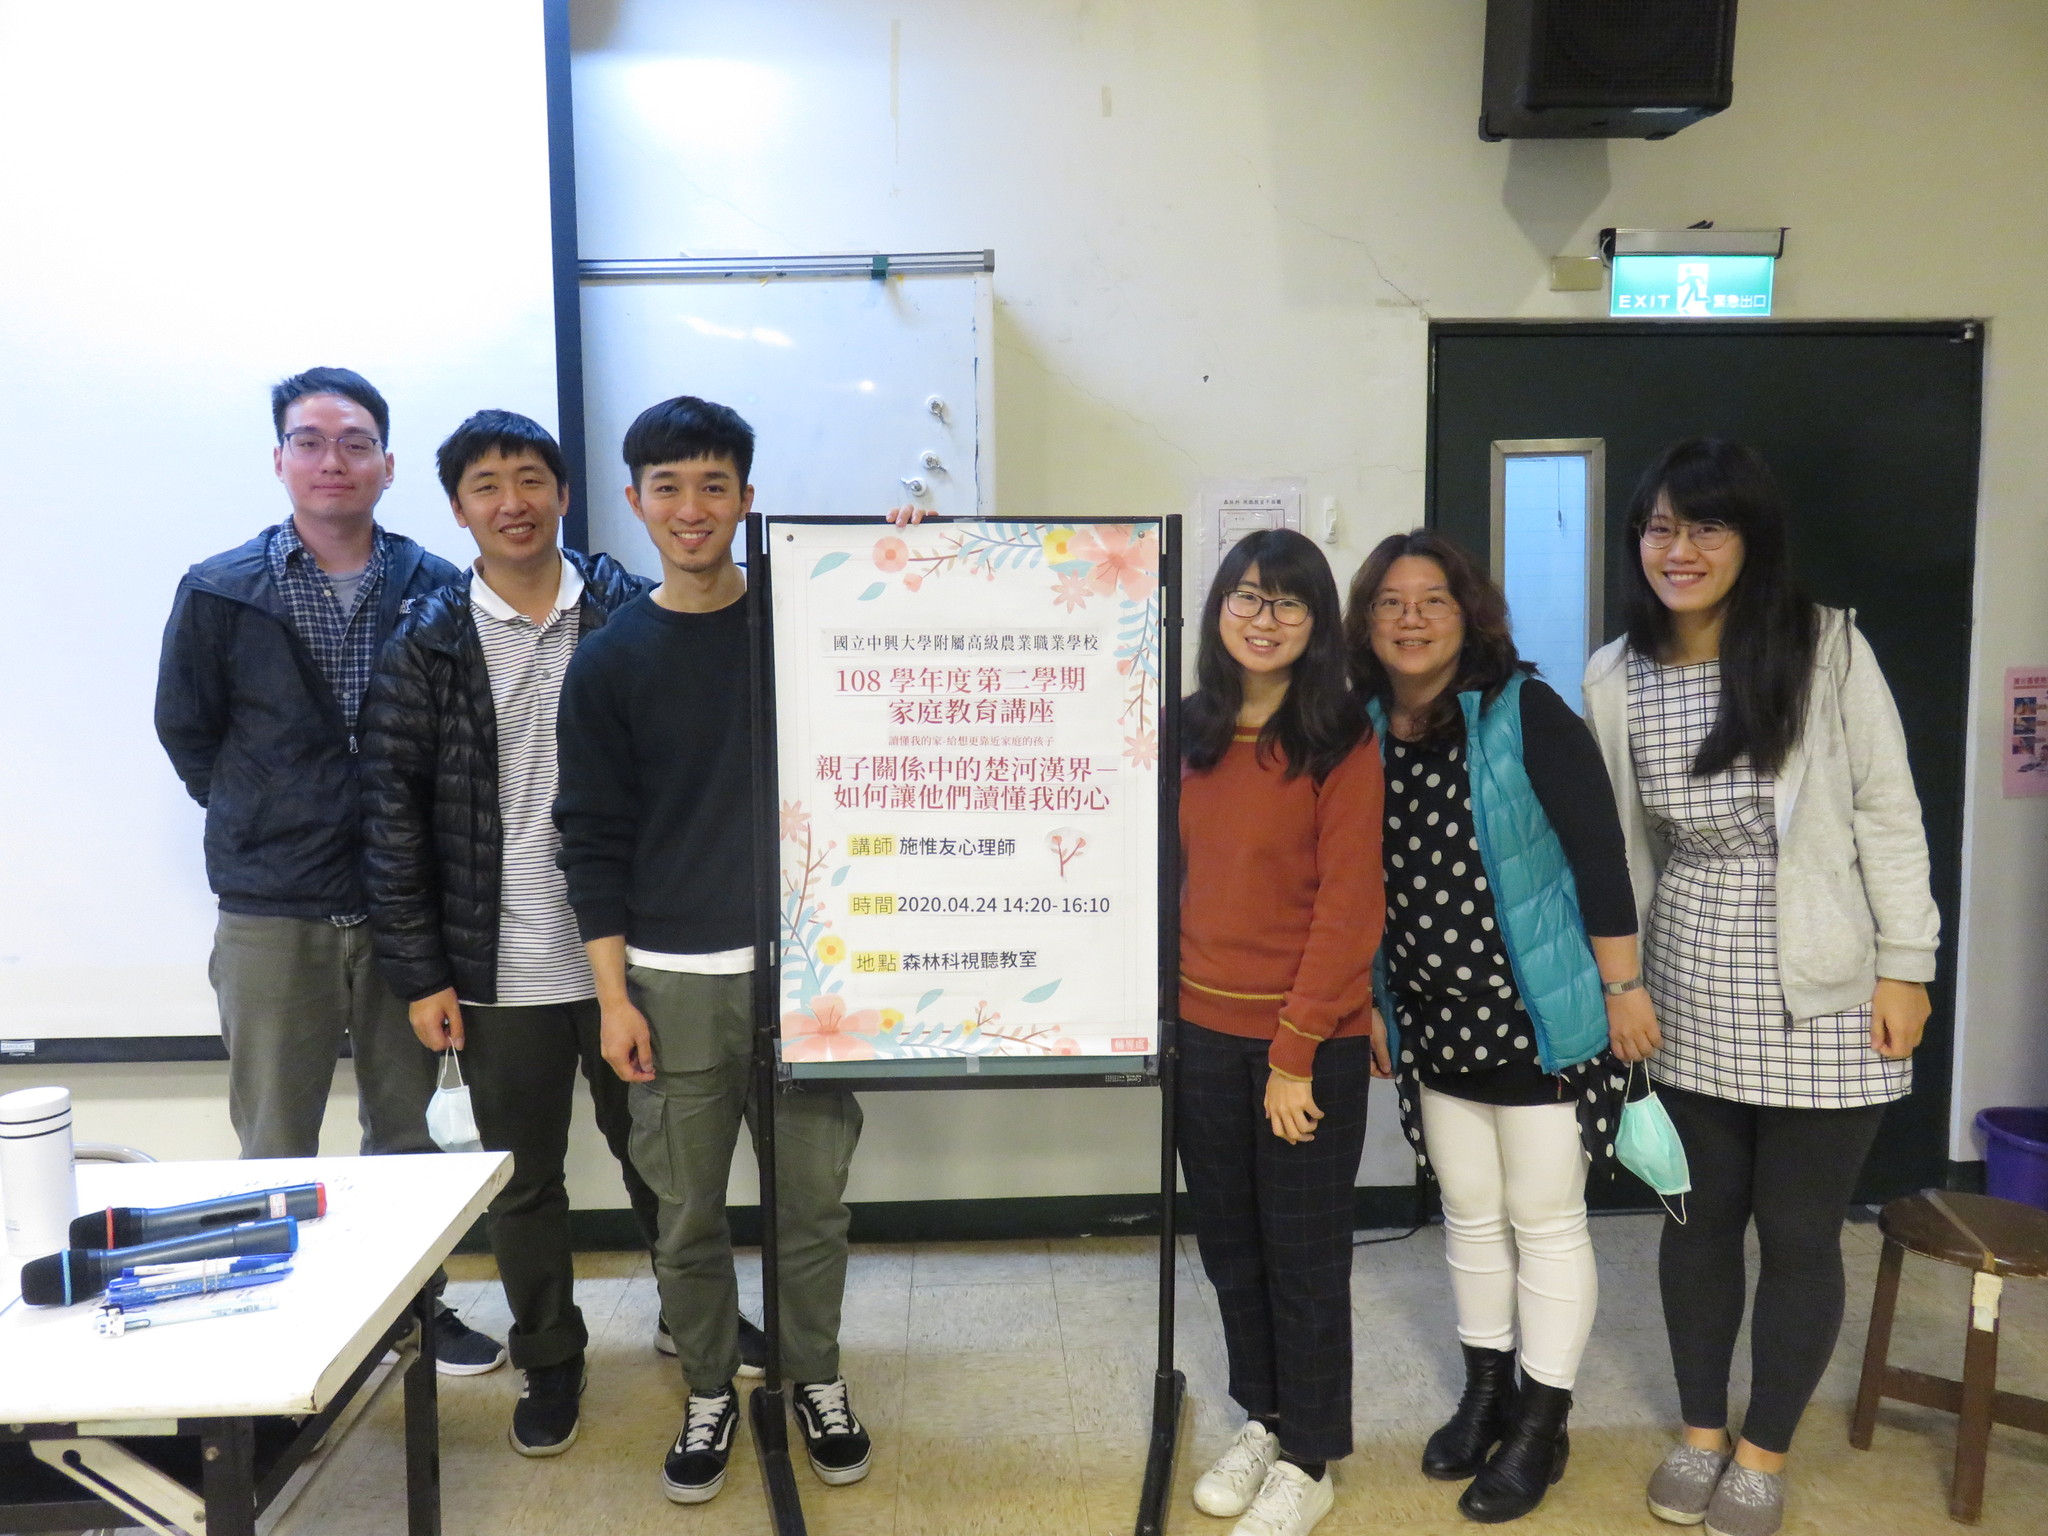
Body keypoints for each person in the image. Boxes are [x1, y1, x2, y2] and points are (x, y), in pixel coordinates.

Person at [359, 410, 767, 1455]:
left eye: (531, 479)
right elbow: (392, 817)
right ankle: (549, 1357)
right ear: (458, 510)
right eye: (487, 486)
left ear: (568, 494)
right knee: (525, 1179)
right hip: (498, 960)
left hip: (637, 949)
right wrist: (421, 971)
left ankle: (692, 1318)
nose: (514, 503)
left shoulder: (628, 610)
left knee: (661, 1159)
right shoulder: (425, 642)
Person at [1582, 438, 1938, 1536]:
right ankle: (1700, 1432)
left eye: (1706, 526)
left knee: (1797, 1234)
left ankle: (1762, 1449)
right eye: (1658, 527)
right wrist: (1620, 982)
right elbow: (1615, 847)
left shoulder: (1825, 648)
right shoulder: (1615, 674)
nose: (1678, 550)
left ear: (1751, 539)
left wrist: (1907, 964)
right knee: (1694, 1225)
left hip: (1824, 980)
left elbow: (1887, 812)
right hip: (1685, 978)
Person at [554, 395, 871, 1505]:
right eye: (669, 487)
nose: (692, 508)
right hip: (671, 985)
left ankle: (816, 1377)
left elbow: (910, 657)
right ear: (636, 501)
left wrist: (920, 552)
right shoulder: (610, 661)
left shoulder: (806, 627)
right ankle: (705, 1389)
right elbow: (589, 838)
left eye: (713, 485)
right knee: (686, 1216)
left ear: (745, 499)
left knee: (811, 1211)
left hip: (809, 981)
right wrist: (613, 997)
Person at [154, 366, 501, 1373]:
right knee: (274, 1136)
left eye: (355, 442)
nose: (332, 460)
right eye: (309, 441)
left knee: (406, 1135)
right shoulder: (220, 590)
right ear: (280, 461)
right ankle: (278, 1327)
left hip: (403, 905)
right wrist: (267, 810)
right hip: (272, 908)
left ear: (387, 465)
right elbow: (188, 732)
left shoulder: (438, 586)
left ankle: (414, 1310)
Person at [1345, 532, 1653, 1523]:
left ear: (1467, 613)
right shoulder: (1362, 726)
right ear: (1366, 621)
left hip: (1535, 1016)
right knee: (1470, 1212)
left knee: (1545, 1218)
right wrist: (1371, 1001)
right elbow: (1354, 882)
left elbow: (1598, 854)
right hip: (1430, 1018)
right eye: (1390, 602)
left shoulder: (1527, 711)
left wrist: (1622, 987)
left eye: (1431, 600)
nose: (1410, 619)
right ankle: (1487, 1393)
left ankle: (1541, 1422)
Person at [1177, 529, 1384, 1536]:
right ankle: (1264, 1418)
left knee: (1303, 1259)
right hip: (1199, 1033)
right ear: (1218, 607)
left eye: (1289, 603)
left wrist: (1294, 1051)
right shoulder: (1186, 730)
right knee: (1231, 1250)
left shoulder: (1340, 739)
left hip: (1306, 1045)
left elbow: (1350, 907)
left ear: (1317, 624)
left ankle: (1311, 1456)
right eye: (1248, 598)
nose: (1265, 619)